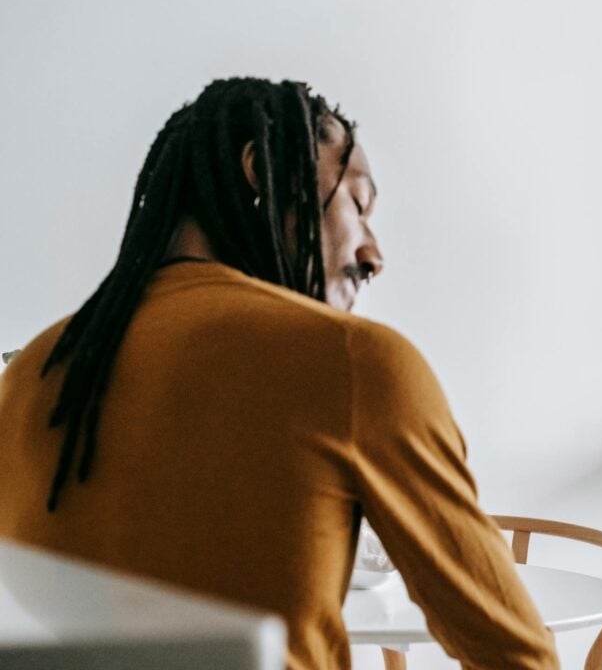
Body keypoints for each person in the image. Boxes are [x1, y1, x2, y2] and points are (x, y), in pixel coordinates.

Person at [0, 78, 560, 669]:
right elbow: (518, 661)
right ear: (260, 173)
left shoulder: (31, 376)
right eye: (358, 204)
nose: (374, 255)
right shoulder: (353, 363)